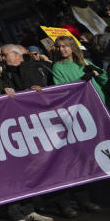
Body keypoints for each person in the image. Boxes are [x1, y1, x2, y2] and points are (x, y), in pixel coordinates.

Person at [48, 35, 105, 217]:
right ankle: (85, 198)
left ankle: (94, 195)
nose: (62, 49)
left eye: (65, 46)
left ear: (73, 47)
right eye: (59, 47)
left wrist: (98, 72)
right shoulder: (58, 67)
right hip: (82, 113)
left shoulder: (84, 61)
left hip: (100, 110)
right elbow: (63, 90)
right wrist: (82, 79)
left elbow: (104, 81)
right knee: (86, 156)